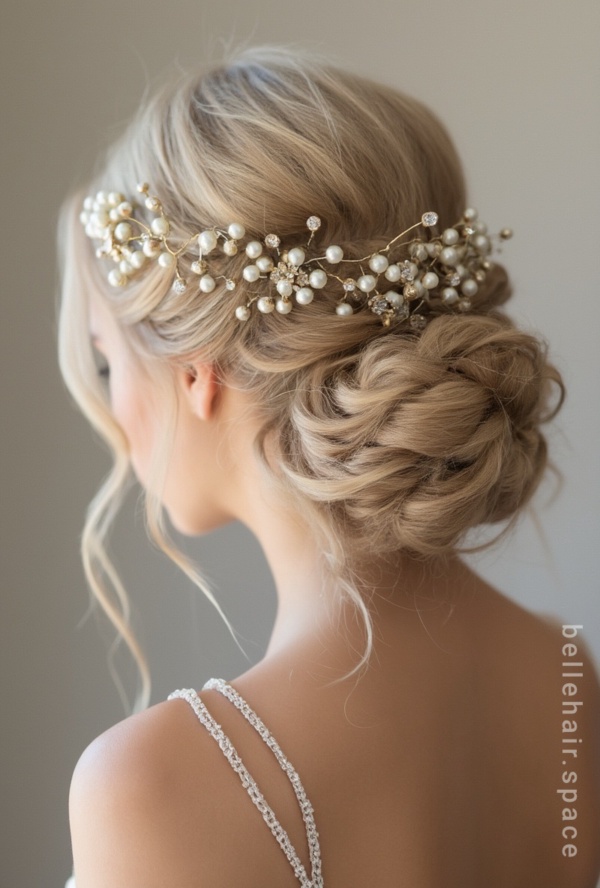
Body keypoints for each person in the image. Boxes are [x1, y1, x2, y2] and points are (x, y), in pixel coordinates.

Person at [58, 44, 600, 888]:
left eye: (105, 361)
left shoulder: (149, 789)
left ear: (197, 368)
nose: (113, 412)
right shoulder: (565, 680)